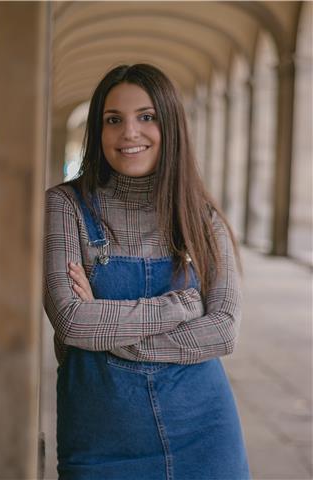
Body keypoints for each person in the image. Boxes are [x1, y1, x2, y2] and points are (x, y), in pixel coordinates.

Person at [44, 63, 251, 480]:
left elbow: (223, 330)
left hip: (205, 434)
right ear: (98, 131)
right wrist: (182, 307)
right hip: (101, 439)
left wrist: (109, 333)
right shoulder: (65, 206)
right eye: (113, 120)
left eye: (146, 117)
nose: (129, 133)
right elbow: (71, 320)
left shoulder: (202, 218)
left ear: (170, 125)